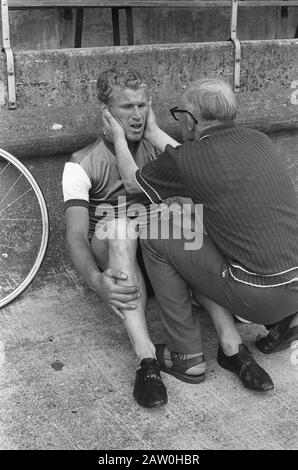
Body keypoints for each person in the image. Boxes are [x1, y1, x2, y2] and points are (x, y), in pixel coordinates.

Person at [102, 78, 298, 392]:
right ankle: (262, 330)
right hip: (293, 286)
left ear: (192, 120)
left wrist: (118, 138)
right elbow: (198, 162)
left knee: (154, 234)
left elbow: (131, 181)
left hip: (255, 295)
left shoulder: (190, 159)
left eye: (181, 115)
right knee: (196, 223)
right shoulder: (258, 140)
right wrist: (152, 132)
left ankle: (185, 354)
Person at [62, 69, 205, 409]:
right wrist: (96, 281)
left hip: (159, 257)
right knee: (121, 226)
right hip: (116, 255)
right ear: (106, 112)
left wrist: (156, 134)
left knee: (189, 215)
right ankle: (147, 360)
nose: (137, 115)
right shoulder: (81, 163)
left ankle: (233, 346)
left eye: (142, 105)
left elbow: (202, 171)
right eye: (127, 107)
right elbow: (76, 235)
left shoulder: (157, 149)